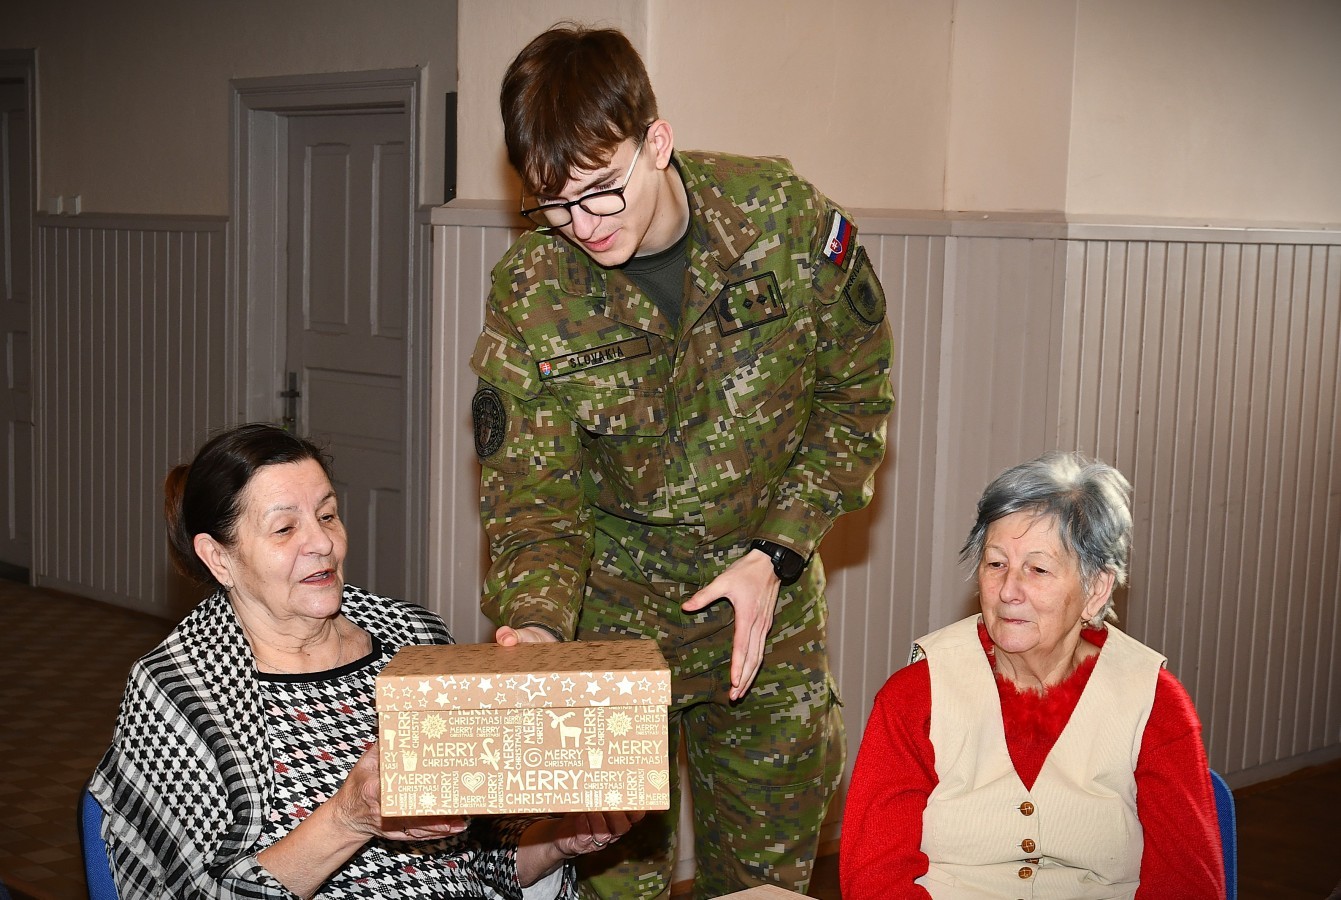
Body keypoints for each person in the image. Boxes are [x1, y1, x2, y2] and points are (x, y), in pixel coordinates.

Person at [468, 21, 894, 900]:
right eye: (552, 205)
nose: (581, 225)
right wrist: (539, 633)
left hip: (762, 628)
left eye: (600, 192)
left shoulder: (782, 221)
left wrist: (776, 552)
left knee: (764, 884)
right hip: (613, 629)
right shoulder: (532, 291)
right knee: (612, 884)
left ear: (655, 142)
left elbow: (853, 402)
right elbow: (534, 504)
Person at [89, 423, 638, 899]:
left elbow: (478, 854)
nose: (322, 543)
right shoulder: (181, 691)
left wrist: (556, 842)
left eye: (327, 515)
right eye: (285, 528)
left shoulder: (414, 637)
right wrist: (348, 818)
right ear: (218, 557)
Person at [840, 451, 1226, 899]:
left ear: (1096, 589)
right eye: (995, 564)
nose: (1008, 590)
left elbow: (1187, 885)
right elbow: (874, 877)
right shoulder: (915, 696)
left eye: (1038, 569)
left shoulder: (1153, 700)